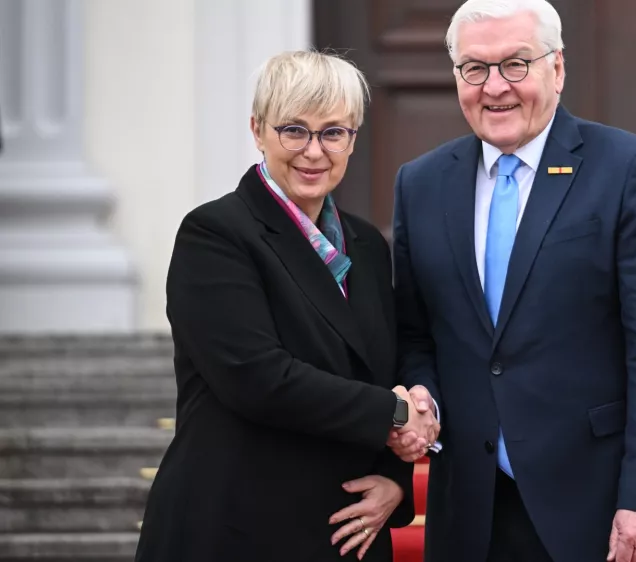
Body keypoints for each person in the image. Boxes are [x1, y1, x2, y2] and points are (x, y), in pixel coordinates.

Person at [388, 0, 636, 561]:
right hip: (470, 510)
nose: (494, 87)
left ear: (557, 68)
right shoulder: (421, 183)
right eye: (474, 68)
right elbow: (414, 335)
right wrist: (422, 395)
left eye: (515, 64)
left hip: (595, 507)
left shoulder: (628, 170)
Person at [135, 50, 439, 562]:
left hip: (345, 530)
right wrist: (394, 413)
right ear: (258, 130)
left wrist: (395, 484)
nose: (314, 151)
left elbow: (381, 364)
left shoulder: (365, 244)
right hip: (235, 525)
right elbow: (257, 377)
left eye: (333, 132)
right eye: (293, 130)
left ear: (353, 138)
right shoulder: (215, 234)